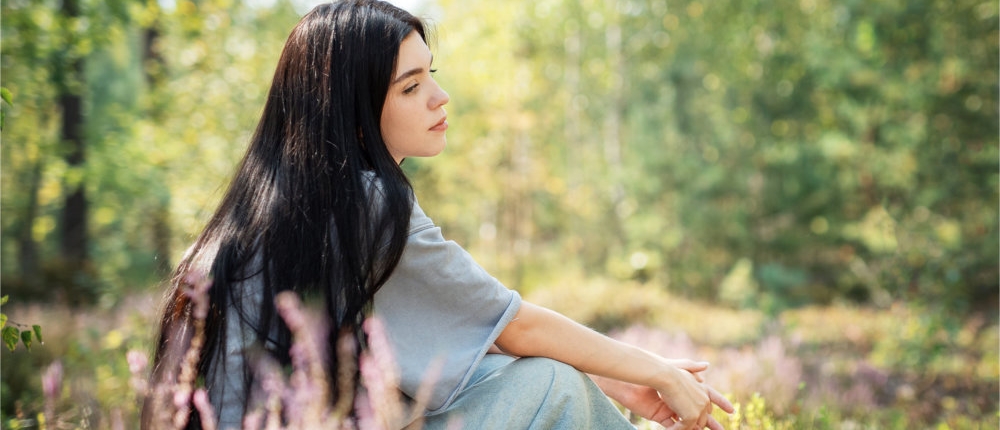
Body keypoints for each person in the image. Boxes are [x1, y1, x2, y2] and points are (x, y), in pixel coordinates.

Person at [143, 1, 734, 429]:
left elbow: (454, 340)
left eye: (433, 75)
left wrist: (619, 382)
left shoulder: (273, 206)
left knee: (544, 385)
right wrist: (659, 371)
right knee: (549, 385)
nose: (439, 97)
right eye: (410, 86)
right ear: (351, 111)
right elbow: (511, 324)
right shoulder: (367, 201)